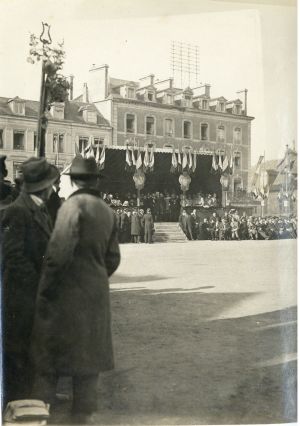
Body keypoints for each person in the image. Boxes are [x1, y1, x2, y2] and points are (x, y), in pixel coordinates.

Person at [31, 156, 120, 423]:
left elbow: (58, 255)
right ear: (94, 181)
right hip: (96, 294)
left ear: (73, 181)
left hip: (67, 296)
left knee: (49, 357)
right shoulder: (107, 210)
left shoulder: (71, 208)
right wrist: (94, 277)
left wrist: (45, 291)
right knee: (88, 359)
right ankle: (83, 415)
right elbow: (113, 258)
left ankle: (38, 413)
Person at [1, 157, 59, 406]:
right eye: (51, 184)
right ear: (43, 187)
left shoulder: (38, 207)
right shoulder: (18, 211)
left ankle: (28, 402)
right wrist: (40, 284)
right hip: (22, 297)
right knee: (19, 355)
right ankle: (17, 405)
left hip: (33, 295)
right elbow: (13, 257)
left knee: (31, 353)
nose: (53, 189)